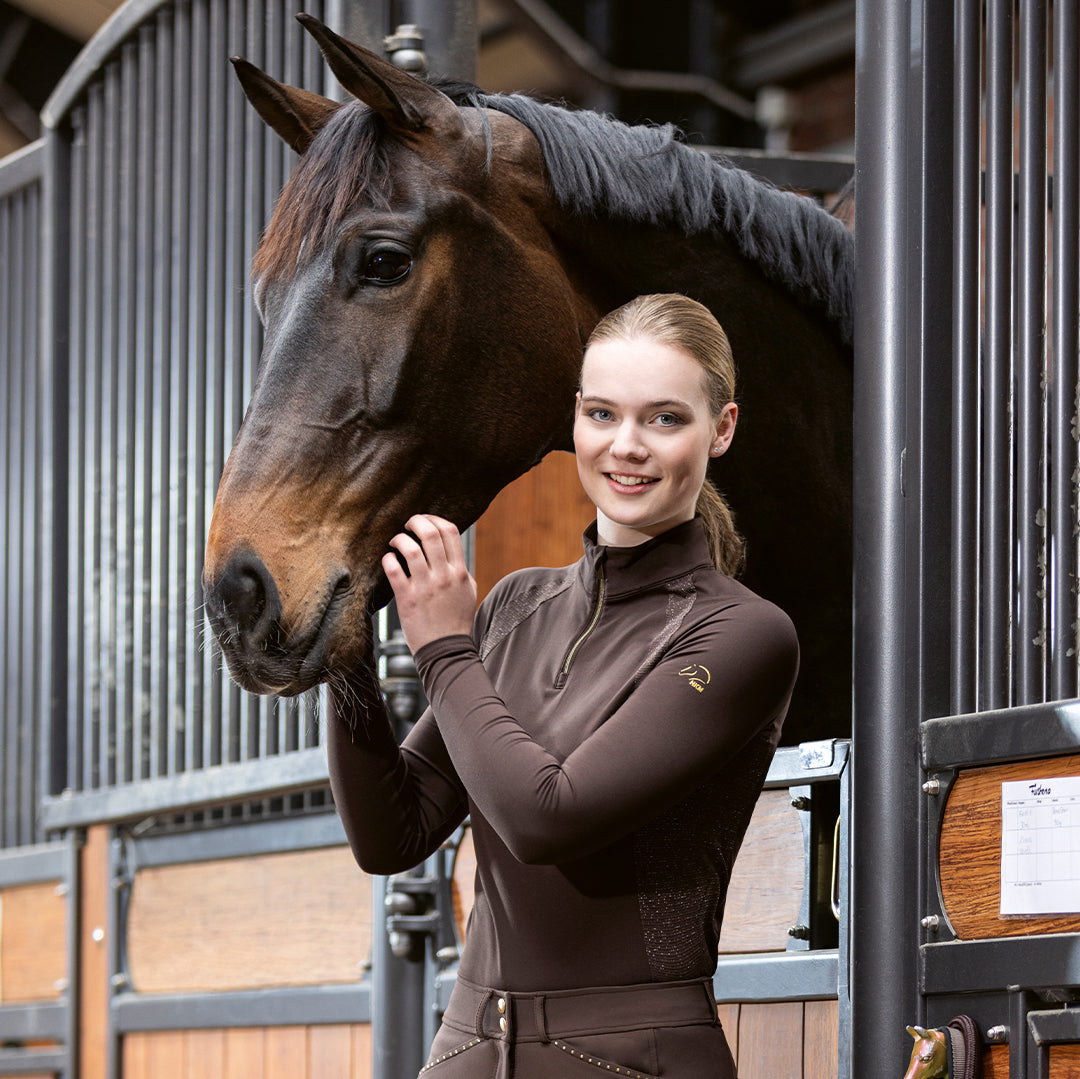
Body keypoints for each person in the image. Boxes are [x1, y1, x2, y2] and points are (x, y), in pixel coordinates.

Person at [328, 293, 799, 1079]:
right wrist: (339, 641)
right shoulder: (514, 605)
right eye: (604, 413)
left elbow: (551, 816)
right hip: (468, 1049)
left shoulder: (742, 634)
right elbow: (392, 833)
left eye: (664, 419)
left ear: (721, 429)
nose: (627, 446)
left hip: (630, 1059)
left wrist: (443, 646)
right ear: (576, 417)